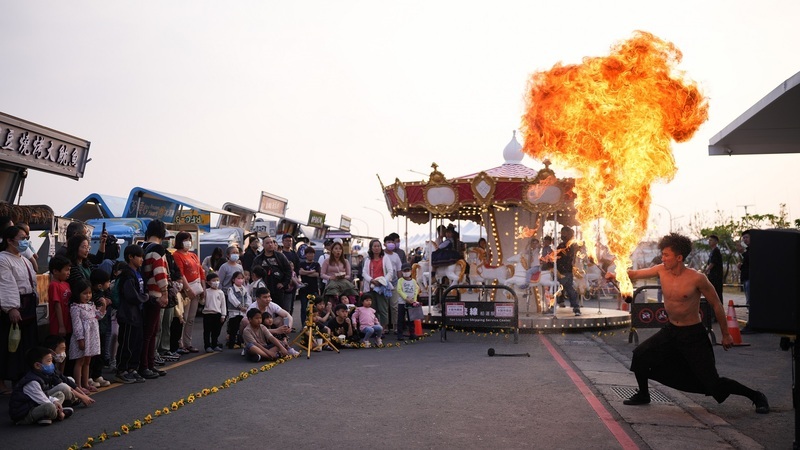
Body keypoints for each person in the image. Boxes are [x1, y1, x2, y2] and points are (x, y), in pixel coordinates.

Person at [608, 233, 769, 414]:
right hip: (671, 331)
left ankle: (756, 396)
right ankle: (643, 394)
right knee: (640, 355)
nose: (663, 258)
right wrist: (615, 275)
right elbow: (634, 274)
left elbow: (716, 305)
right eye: (663, 254)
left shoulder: (697, 278)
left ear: (679, 257)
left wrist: (725, 334)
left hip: (693, 334)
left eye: (666, 255)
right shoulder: (661, 269)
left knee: (712, 383)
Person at [0, 226, 40, 390]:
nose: (25, 241)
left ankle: (26, 378)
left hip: (28, 304)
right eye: (21, 238)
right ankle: (12, 380)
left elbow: (32, 278)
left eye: (26, 238)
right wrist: (11, 308)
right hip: (16, 306)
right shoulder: (3, 258)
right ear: (9, 240)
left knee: (28, 343)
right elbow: (6, 284)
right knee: (12, 345)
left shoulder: (23, 258)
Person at [8, 347, 74, 425]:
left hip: (34, 404)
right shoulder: (32, 382)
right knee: (50, 407)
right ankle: (56, 414)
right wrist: (59, 411)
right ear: (37, 365)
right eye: (49, 361)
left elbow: (43, 396)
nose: (52, 364)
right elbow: (43, 400)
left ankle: (46, 417)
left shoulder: (38, 376)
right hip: (24, 415)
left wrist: (55, 401)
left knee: (59, 395)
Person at [139, 220, 170, 379]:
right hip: (154, 294)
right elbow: (160, 272)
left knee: (146, 332)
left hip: (141, 295)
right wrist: (164, 293)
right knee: (150, 332)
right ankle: (146, 365)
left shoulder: (142, 247)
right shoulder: (158, 249)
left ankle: (147, 365)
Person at [114, 245, 147, 384]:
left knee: (136, 342)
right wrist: (145, 297)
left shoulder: (137, 272)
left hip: (137, 314)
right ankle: (121, 370)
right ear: (130, 257)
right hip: (128, 314)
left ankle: (132, 368)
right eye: (139, 256)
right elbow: (131, 295)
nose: (142, 260)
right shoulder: (127, 274)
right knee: (126, 343)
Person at [69, 278, 107, 393]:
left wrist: (104, 305)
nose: (87, 296)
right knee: (80, 361)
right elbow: (77, 325)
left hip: (91, 337)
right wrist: (80, 339)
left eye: (89, 293)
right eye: (84, 293)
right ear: (78, 294)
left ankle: (86, 383)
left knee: (87, 361)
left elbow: (98, 316)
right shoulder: (76, 307)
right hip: (83, 337)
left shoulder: (91, 305)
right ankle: (78, 385)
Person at [170, 231, 204, 354]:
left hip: (196, 288)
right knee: (182, 318)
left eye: (189, 239)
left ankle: (188, 343)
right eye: (186, 239)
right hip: (185, 291)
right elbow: (180, 273)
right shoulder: (177, 255)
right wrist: (188, 289)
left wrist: (203, 289)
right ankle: (180, 343)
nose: (188, 242)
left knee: (191, 318)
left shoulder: (193, 255)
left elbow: (201, 272)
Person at [42, 335, 95, 406]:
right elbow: (60, 382)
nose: (63, 352)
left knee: (70, 379)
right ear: (51, 351)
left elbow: (64, 379)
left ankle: (72, 399)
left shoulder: (52, 364)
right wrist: (82, 397)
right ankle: (70, 401)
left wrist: (83, 395)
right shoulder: (46, 366)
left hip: (52, 389)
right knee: (64, 387)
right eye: (62, 349)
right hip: (44, 393)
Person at [251, 236, 293, 313]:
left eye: (272, 242)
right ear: (263, 245)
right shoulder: (258, 259)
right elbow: (253, 273)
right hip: (264, 289)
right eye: (267, 243)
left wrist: (283, 283)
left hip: (278, 290)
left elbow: (288, 271)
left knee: (279, 311)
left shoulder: (280, 256)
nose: (270, 244)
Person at [47, 256, 73, 373]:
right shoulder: (54, 285)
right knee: (57, 353)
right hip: (58, 324)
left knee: (64, 352)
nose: (68, 273)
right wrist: (61, 325)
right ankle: (54, 375)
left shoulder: (66, 284)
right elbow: (57, 305)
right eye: (66, 270)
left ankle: (61, 375)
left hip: (67, 322)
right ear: (55, 271)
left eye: (69, 269)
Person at [362, 239, 395, 328]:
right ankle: (375, 326)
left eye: (378, 246)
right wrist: (371, 280)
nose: (377, 248)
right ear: (371, 248)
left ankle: (384, 327)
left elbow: (390, 272)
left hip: (382, 286)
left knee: (383, 308)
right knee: (373, 308)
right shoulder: (368, 259)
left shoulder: (385, 258)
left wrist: (382, 281)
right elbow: (364, 272)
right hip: (371, 286)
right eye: (375, 246)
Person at [88, 269, 112, 388]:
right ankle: (89, 376)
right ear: (99, 285)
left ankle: (98, 374)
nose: (109, 284)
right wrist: (103, 303)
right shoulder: (94, 296)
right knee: (93, 354)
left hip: (102, 327)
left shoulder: (103, 293)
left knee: (100, 351)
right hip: (93, 328)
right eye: (107, 282)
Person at [556, 226, 581, 316]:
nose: (562, 234)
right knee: (566, 287)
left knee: (562, 287)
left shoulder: (569, 245)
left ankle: (575, 307)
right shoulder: (563, 244)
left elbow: (567, 255)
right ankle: (574, 306)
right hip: (562, 268)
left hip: (565, 269)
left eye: (563, 232)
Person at [225, 271, 251, 349]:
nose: (240, 280)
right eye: (238, 278)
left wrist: (246, 306)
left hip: (243, 312)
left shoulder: (244, 289)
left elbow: (248, 298)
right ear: (233, 280)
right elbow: (232, 299)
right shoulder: (231, 289)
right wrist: (239, 306)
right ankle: (232, 343)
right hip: (234, 312)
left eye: (242, 278)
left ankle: (240, 342)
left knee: (241, 328)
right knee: (234, 328)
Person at [203, 273, 227, 353]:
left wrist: (223, 315)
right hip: (207, 313)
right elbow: (202, 302)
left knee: (216, 331)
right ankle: (207, 346)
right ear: (208, 282)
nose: (216, 282)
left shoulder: (220, 292)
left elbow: (223, 305)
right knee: (207, 331)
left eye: (217, 280)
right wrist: (202, 297)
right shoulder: (206, 291)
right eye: (213, 280)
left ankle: (214, 344)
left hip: (217, 314)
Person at [395, 262, 420, 340]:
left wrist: (414, 300)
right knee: (401, 319)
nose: (406, 272)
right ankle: (400, 334)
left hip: (411, 302)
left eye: (407, 270)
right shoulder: (400, 280)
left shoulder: (413, 281)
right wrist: (406, 298)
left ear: (411, 271)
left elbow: (417, 289)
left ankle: (412, 333)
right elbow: (399, 290)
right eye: (404, 271)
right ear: (402, 272)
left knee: (411, 319)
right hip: (402, 302)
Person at [297, 247, 321, 325]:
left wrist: (306, 272)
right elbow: (301, 272)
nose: (310, 255)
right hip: (304, 289)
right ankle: (303, 325)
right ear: (305, 255)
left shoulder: (316, 264)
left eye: (312, 253)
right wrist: (311, 272)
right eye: (308, 253)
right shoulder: (302, 263)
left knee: (315, 308)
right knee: (304, 308)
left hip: (314, 289)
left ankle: (315, 325)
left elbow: (317, 274)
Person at [281, 234, 301, 316]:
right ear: (283, 242)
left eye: (290, 241)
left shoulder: (294, 254)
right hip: (284, 283)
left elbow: (297, 267)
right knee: (283, 306)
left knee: (291, 305)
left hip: (293, 283)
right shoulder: (280, 254)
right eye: (287, 241)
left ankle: (290, 322)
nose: (289, 243)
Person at [704, 234, 724, 303]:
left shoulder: (716, 251)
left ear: (716, 242)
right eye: (709, 240)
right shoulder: (712, 251)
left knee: (717, 292)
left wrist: (706, 270)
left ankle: (718, 308)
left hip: (716, 276)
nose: (709, 242)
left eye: (711, 240)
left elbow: (712, 263)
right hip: (712, 275)